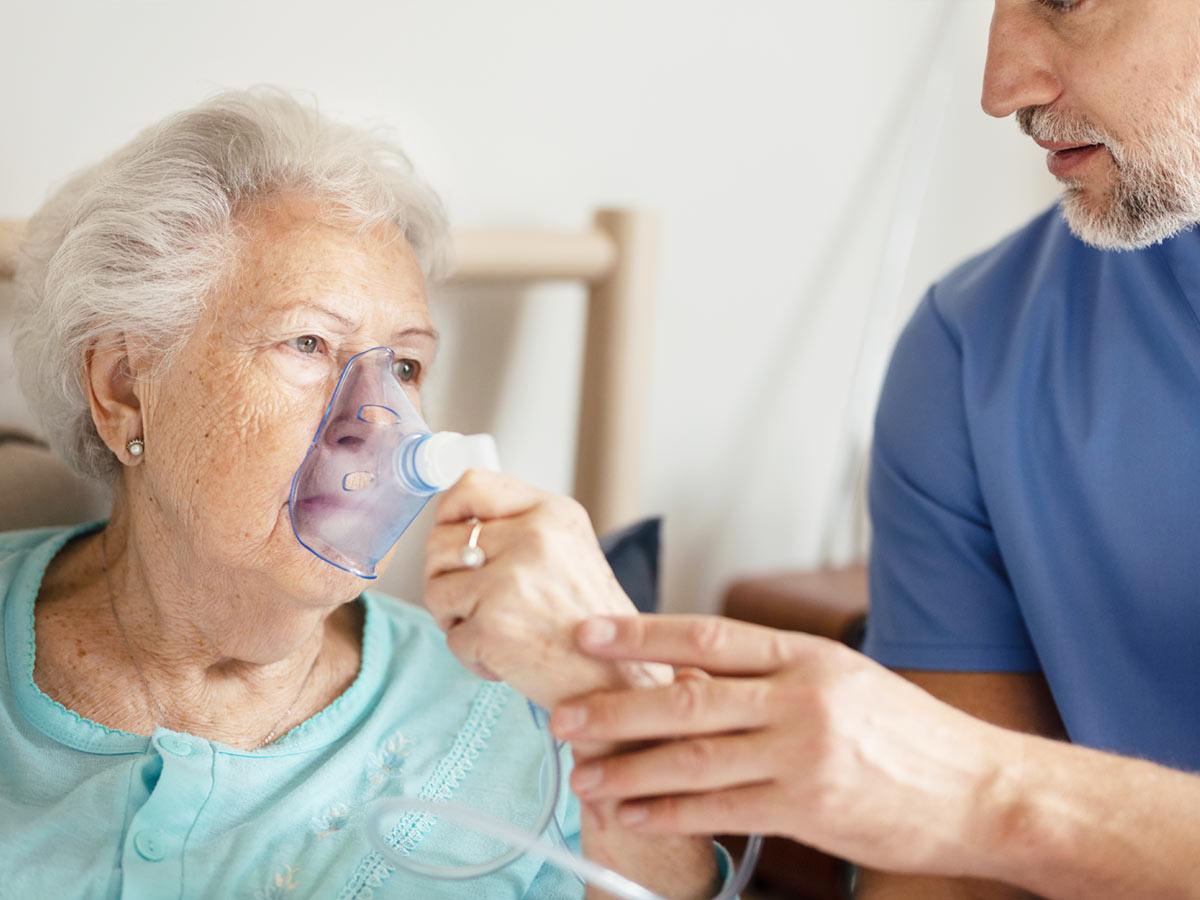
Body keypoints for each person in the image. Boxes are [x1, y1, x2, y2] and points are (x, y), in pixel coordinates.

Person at [482, 1, 1200, 897]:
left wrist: (992, 796)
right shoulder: (972, 350)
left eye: (1066, 1)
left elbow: (964, 806)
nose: (999, 86)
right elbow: (942, 876)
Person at [0, 89, 719, 899]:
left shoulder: (518, 723)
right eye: (309, 343)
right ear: (126, 386)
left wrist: (612, 688)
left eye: (405, 366)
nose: (377, 422)